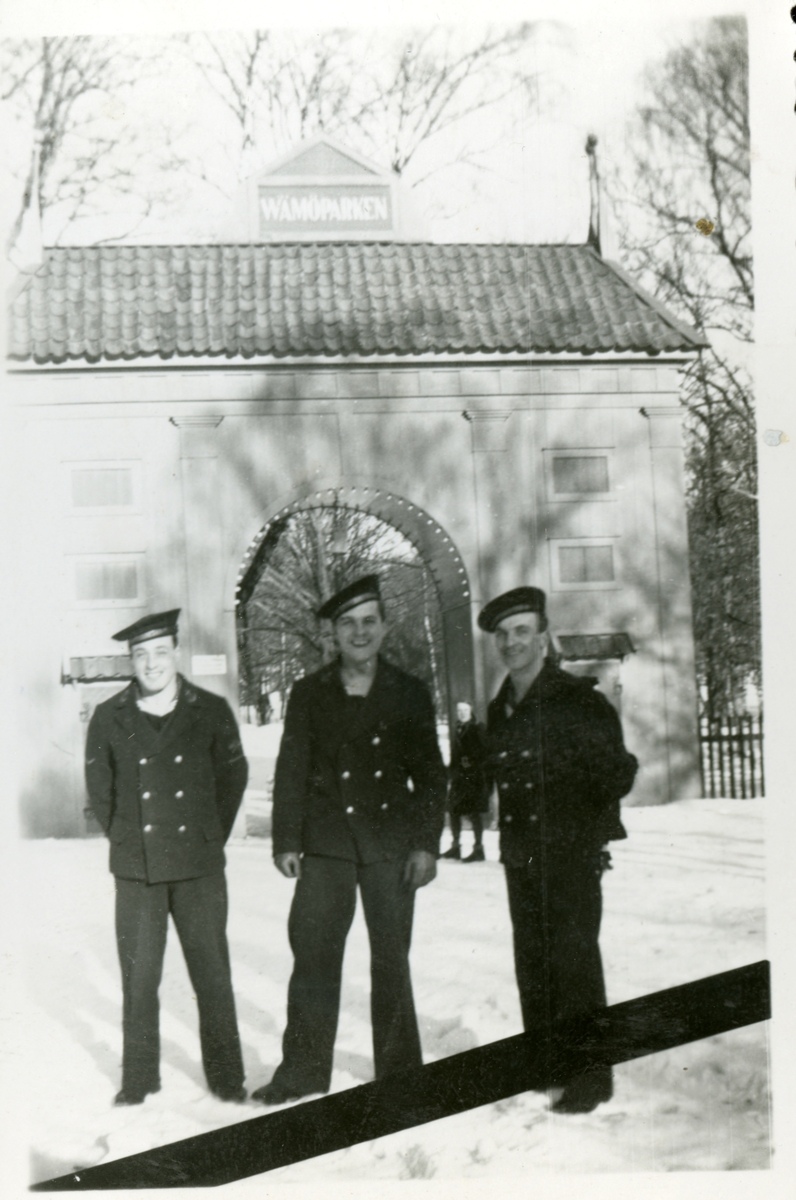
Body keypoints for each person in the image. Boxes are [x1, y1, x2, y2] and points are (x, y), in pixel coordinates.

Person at [254, 575, 448, 1106]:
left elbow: (431, 777)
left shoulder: (409, 692)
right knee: (313, 959)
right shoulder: (308, 693)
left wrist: (425, 844)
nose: (359, 632)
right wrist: (285, 840)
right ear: (333, 634)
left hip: (390, 845)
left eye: (368, 622)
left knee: (391, 962)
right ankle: (302, 1074)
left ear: (384, 627)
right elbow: (291, 769)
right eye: (347, 624)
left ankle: (401, 1077)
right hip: (327, 844)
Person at [478, 587, 638, 1114]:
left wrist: (586, 818)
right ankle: (548, 1066)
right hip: (522, 852)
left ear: (543, 638)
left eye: (522, 631)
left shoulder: (578, 699)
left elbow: (617, 773)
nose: (512, 642)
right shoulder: (500, 708)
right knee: (533, 960)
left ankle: (590, 1080)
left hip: (570, 851)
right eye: (503, 635)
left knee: (574, 962)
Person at [84, 609, 249, 1106]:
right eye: (141, 654)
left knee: (212, 974)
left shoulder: (211, 710)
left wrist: (207, 835)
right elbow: (101, 789)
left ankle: (227, 1078)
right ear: (131, 661)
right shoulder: (108, 715)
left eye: (160, 651)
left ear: (176, 652)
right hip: (138, 869)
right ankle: (139, 1080)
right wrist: (127, 838)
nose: (151, 663)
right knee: (139, 978)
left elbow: (232, 778)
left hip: (199, 866)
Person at [441, 702, 490, 862]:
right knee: (453, 809)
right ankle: (456, 846)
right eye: (459, 710)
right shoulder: (457, 728)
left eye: (465, 710)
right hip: (459, 777)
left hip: (474, 777)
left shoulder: (477, 728)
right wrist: (451, 771)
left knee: (474, 812)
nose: (462, 713)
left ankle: (479, 849)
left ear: (471, 711)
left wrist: (470, 764)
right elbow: (456, 754)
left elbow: (484, 751)